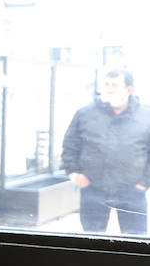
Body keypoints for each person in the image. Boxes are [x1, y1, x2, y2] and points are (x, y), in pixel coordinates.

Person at [61, 69, 150, 235]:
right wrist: (74, 173)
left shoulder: (146, 116)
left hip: (132, 191)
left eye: (115, 85)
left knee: (136, 242)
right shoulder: (85, 114)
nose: (109, 89)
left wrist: (144, 182)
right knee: (92, 241)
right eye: (106, 84)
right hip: (93, 188)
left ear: (129, 90)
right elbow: (70, 145)